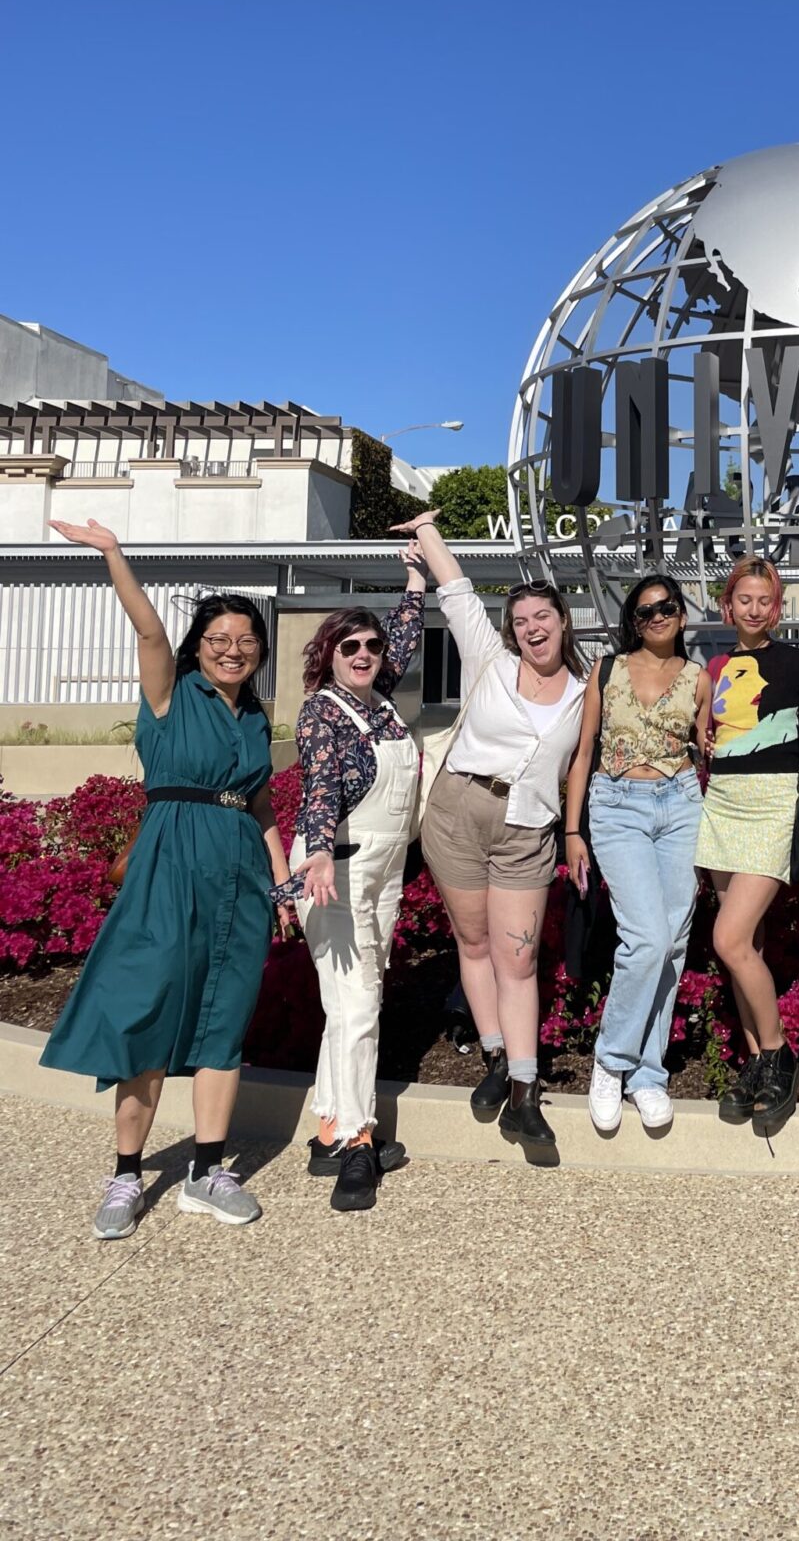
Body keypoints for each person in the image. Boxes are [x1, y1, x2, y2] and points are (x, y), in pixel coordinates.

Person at [41, 518, 292, 1237]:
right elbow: (150, 633)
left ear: (259, 651)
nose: (232, 650)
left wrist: (280, 887)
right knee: (146, 1012)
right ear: (197, 649)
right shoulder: (167, 695)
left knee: (223, 1021)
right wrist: (114, 555)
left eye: (245, 640)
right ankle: (126, 1175)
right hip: (170, 865)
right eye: (218, 640)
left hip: (240, 873)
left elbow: (264, 806)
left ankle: (208, 1169)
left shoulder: (254, 721)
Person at [394, 514, 587, 1166]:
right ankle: (499, 1059)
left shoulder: (587, 696)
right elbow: (456, 588)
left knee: (519, 958)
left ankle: (527, 1094)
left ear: (564, 623)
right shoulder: (491, 660)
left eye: (544, 617)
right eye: (523, 620)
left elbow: (593, 764)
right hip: (457, 812)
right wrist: (426, 531)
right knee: (473, 943)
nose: (533, 628)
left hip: (527, 831)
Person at [275, 545, 428, 1211]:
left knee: (350, 1006)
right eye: (350, 646)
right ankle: (358, 1145)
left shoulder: (381, 705)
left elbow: (405, 637)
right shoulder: (323, 714)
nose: (365, 653)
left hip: (384, 869)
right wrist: (314, 853)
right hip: (334, 868)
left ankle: (329, 1125)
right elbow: (320, 784)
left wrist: (416, 579)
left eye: (370, 645)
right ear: (328, 656)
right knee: (360, 1007)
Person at [564, 574, 710, 1134]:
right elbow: (583, 754)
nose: (657, 617)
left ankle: (648, 1074)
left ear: (681, 613)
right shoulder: (608, 669)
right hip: (618, 804)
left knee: (672, 943)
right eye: (645, 611)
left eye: (667, 607)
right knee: (646, 937)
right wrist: (573, 831)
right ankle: (611, 1059)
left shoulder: (698, 678)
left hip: (680, 803)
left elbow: (706, 747)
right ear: (633, 620)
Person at [697, 557, 799, 1132]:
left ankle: (777, 1055)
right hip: (723, 802)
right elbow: (706, 728)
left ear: (778, 607)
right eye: (742, 599)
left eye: (763, 599)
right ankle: (754, 1063)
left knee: (730, 936)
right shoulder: (715, 666)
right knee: (748, 945)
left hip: (773, 803)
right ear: (727, 607)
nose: (753, 608)